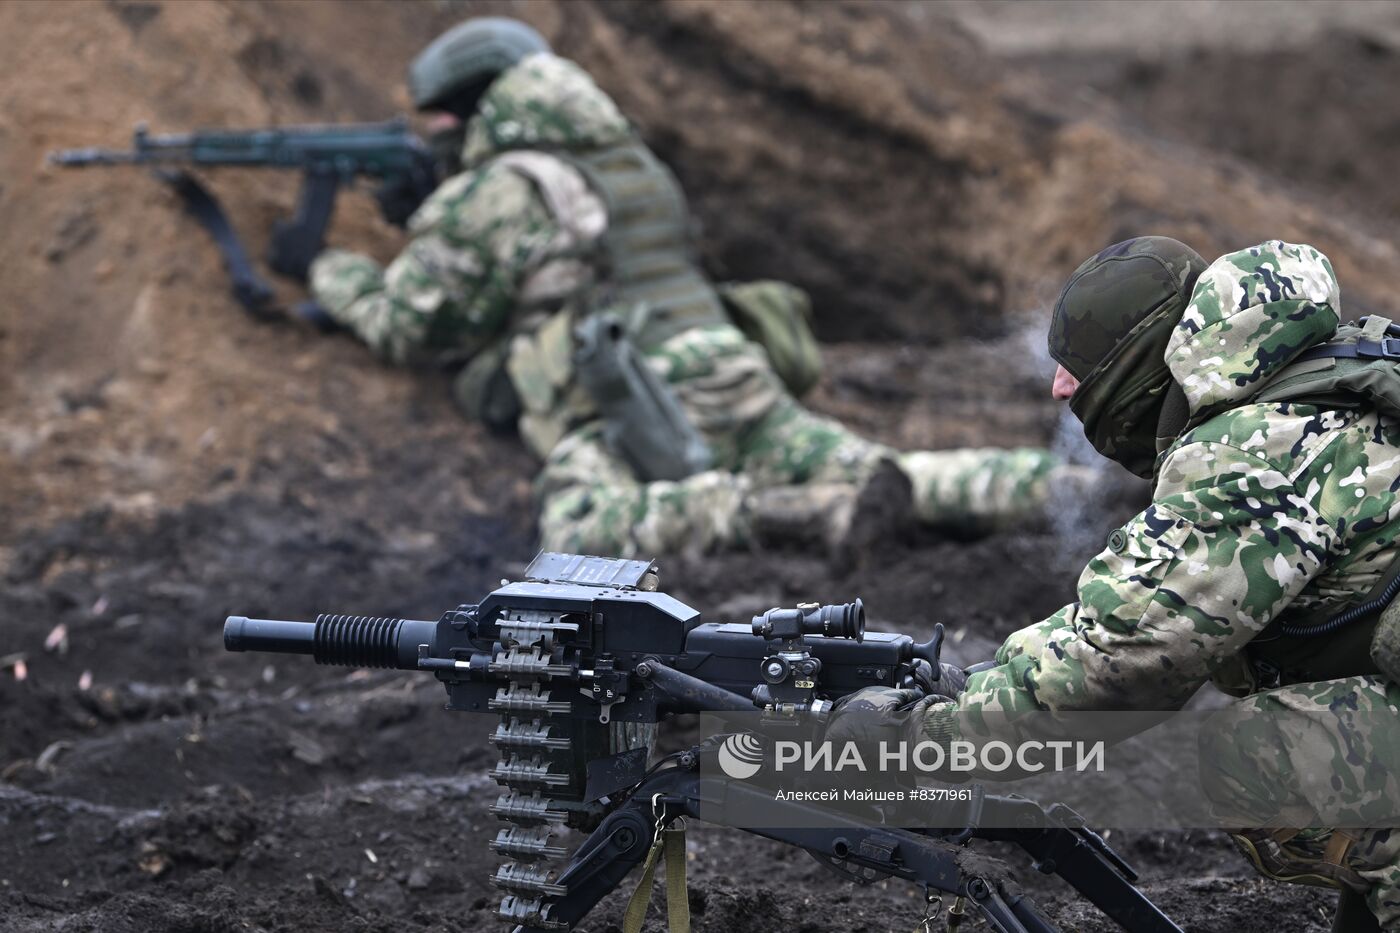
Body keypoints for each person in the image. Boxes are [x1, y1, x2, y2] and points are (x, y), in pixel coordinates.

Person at [308, 17, 1085, 560]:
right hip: (732, 367)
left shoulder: (501, 188)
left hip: (638, 395)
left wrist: (327, 269)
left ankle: (792, 515)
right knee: (879, 465)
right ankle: (1076, 487)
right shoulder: (630, 162)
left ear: (476, 108)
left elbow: (410, 325)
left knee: (581, 525)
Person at [832, 237, 1400, 930]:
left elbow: (1119, 662)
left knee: (1263, 757)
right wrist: (975, 681)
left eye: (1080, 366)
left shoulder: (1250, 451)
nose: (1060, 387)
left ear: (1138, 366)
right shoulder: (1336, 376)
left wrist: (922, 738)